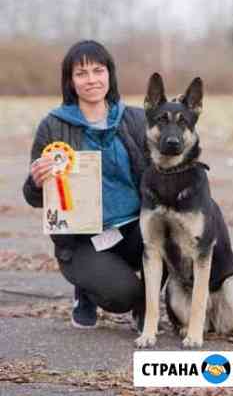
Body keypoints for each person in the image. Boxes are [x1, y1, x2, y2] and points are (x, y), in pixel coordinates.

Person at [23, 40, 147, 329]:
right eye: (81, 73)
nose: (91, 79)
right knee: (122, 295)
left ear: (109, 74)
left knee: (176, 241)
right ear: (70, 80)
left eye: (98, 70)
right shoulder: (53, 125)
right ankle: (87, 290)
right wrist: (36, 182)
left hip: (135, 227)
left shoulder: (136, 119)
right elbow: (32, 197)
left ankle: (147, 303)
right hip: (83, 238)